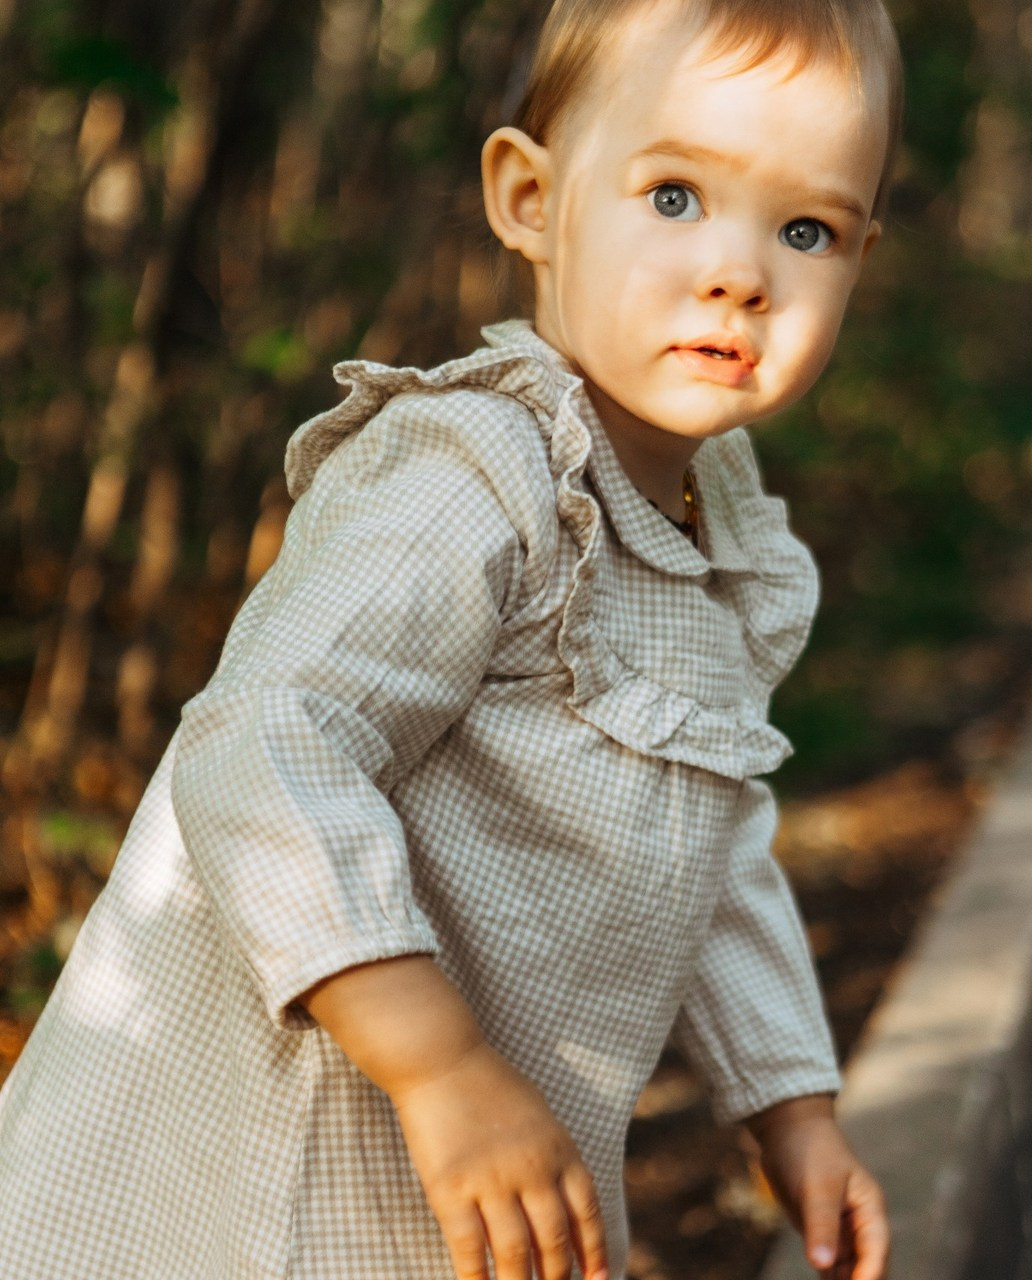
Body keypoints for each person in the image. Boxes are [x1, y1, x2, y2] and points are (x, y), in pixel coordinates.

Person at [0, 0, 902, 1276]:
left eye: (805, 229)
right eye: (674, 195)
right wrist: (437, 1059)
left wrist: (790, 1105)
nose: (739, 273)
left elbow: (713, 834)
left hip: (474, 1177)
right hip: (286, 1164)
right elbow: (264, 740)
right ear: (530, 199)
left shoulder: (719, 531)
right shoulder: (477, 469)